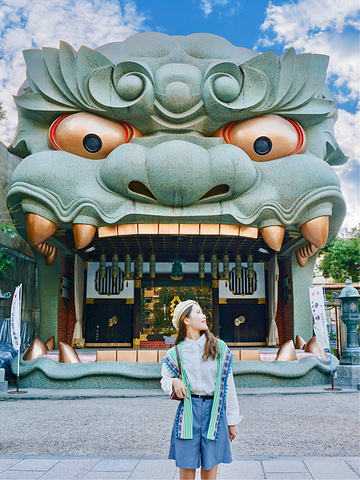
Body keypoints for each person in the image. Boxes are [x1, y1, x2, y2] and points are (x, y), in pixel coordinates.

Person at [161, 299, 240, 480]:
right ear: (185, 320)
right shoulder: (176, 353)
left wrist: (232, 421)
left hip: (215, 411)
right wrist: (174, 382)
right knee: (187, 473)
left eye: (202, 312)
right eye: (198, 312)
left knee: (209, 473)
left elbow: (229, 385)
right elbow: (164, 380)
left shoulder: (219, 347)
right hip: (189, 410)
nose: (204, 316)